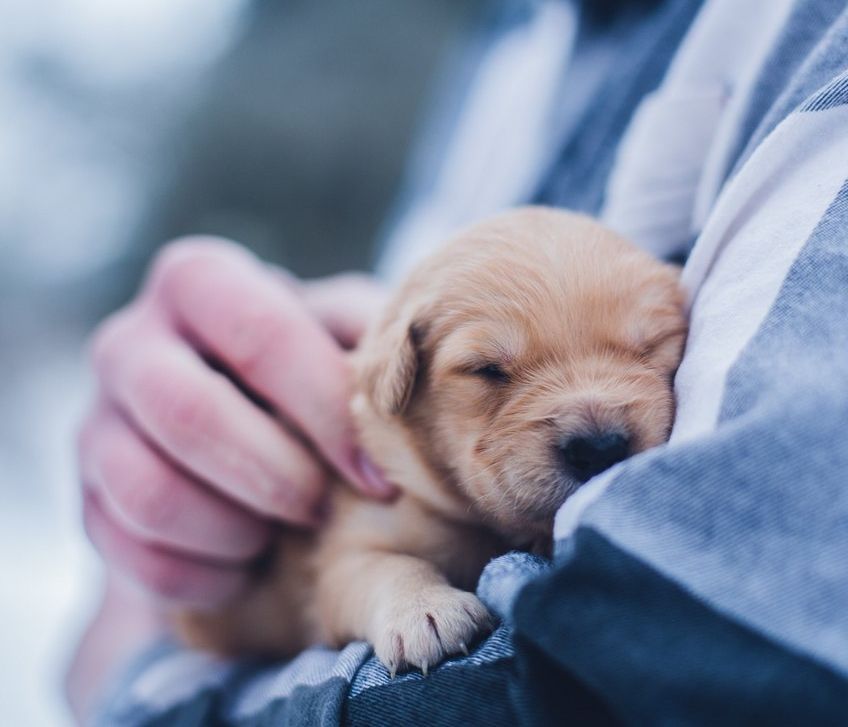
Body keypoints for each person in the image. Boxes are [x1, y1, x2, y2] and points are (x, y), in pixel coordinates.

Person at [68, 0, 848, 723]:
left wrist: (134, 682)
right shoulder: (507, 47)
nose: (595, 423)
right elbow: (348, 576)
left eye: (648, 347)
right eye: (492, 373)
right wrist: (147, 541)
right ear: (396, 382)